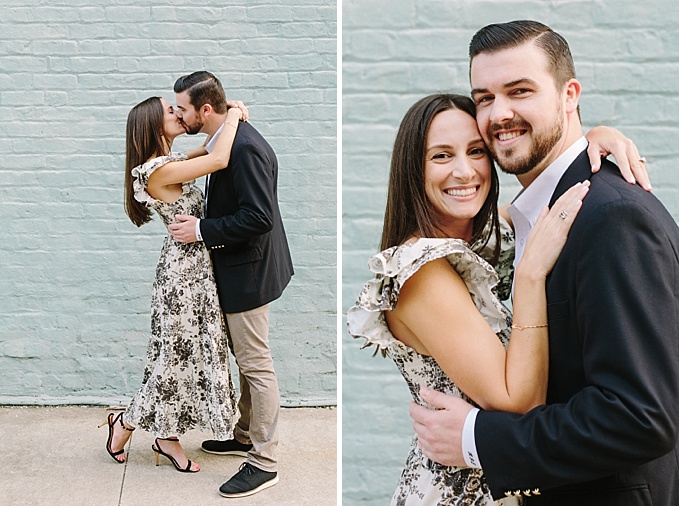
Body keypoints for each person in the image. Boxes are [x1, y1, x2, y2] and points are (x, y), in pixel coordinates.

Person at [410, 21, 679, 505]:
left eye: (520, 91)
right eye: (485, 98)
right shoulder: (529, 218)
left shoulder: (610, 217)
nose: (499, 114)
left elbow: (641, 417)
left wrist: (475, 439)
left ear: (569, 94)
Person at [347, 92, 647, 504]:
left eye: (475, 151)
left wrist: (594, 138)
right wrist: (528, 278)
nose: (464, 171)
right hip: (458, 493)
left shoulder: (477, 240)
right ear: (412, 170)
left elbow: (541, 201)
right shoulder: (421, 270)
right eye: (441, 156)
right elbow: (516, 405)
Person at [101, 94, 248, 473]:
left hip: (197, 269)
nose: (179, 114)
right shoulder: (155, 172)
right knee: (173, 359)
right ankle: (140, 427)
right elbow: (217, 160)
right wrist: (233, 115)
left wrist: (226, 123)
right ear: (152, 124)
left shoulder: (169, 163)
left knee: (186, 358)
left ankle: (152, 431)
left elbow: (206, 150)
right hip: (181, 277)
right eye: (171, 111)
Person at [167, 71, 294, 498]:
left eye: (182, 107)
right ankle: (243, 434)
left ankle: (264, 462)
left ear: (205, 109)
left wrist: (201, 229)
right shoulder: (229, 135)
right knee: (246, 359)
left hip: (249, 271)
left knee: (256, 365)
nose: (178, 114)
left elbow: (259, 217)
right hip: (243, 267)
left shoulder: (244, 147)